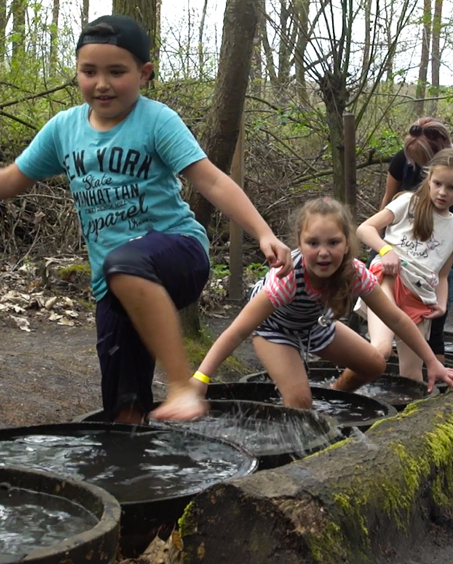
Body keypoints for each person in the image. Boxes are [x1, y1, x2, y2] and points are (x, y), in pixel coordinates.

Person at [0, 14, 292, 424]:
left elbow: (211, 181)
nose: (102, 83)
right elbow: (11, 178)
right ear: (77, 72)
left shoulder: (157, 120)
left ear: (144, 74)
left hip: (179, 253)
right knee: (123, 408)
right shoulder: (64, 129)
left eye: (116, 72)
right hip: (113, 284)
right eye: (89, 72)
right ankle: (138, 470)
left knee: (124, 263)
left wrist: (263, 233)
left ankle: (182, 386)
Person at [152, 197, 453, 421]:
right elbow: (238, 330)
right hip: (272, 329)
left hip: (313, 325)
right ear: (299, 243)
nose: (323, 252)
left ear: (347, 244)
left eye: (333, 242)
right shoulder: (288, 278)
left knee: (374, 364)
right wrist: (200, 379)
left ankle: (332, 396)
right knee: (299, 402)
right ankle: (294, 434)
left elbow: (397, 320)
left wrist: (432, 362)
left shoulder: (355, 272)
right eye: (313, 243)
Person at [357, 150, 453, 383]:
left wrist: (441, 304)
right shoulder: (408, 202)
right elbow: (365, 229)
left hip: (419, 296)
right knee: (381, 351)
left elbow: (441, 275)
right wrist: (385, 250)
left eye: (451, 188)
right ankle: (338, 391)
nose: (442, 192)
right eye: (438, 183)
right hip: (387, 279)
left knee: (412, 376)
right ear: (428, 179)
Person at [378, 118, 452, 360]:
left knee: (435, 319)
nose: (441, 191)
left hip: (441, 244)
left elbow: (442, 275)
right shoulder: (403, 165)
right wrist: (383, 245)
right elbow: (388, 200)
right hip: (404, 238)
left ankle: (437, 375)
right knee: (388, 316)